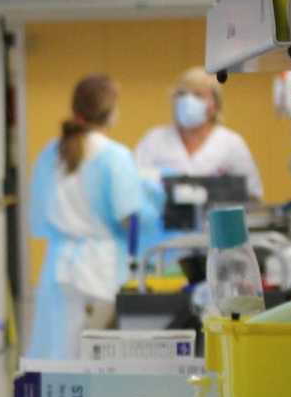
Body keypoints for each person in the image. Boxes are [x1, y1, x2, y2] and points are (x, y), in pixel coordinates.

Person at [26, 74, 152, 359]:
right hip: (101, 271)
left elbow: (38, 217)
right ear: (110, 111)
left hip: (58, 270)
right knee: (98, 359)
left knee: (59, 355)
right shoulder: (114, 156)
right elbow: (128, 218)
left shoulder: (50, 153)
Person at [135, 66, 264, 202]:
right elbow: (134, 186)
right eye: (182, 94)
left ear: (215, 104)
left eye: (198, 95)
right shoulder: (154, 140)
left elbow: (253, 194)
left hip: (215, 221)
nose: (188, 101)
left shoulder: (231, 144)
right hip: (163, 222)